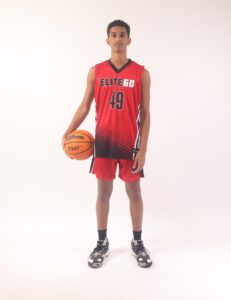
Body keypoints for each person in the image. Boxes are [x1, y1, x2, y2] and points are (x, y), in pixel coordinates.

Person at [62, 19, 152, 268]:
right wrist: (68, 131)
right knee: (103, 192)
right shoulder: (96, 71)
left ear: (129, 40)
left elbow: (145, 115)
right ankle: (102, 243)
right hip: (102, 143)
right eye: (114, 35)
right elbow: (84, 106)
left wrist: (143, 149)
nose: (118, 39)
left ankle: (137, 242)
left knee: (134, 192)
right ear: (107, 40)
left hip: (129, 145)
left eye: (122, 35)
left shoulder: (141, 73)